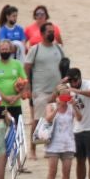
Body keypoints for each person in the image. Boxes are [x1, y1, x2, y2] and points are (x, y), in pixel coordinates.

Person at [24, 22, 65, 156]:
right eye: (49, 31)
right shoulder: (35, 49)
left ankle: (49, 149)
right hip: (41, 90)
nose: (52, 33)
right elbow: (27, 67)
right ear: (42, 34)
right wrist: (28, 86)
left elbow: (64, 66)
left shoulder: (59, 49)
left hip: (57, 90)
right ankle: (33, 150)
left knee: (55, 120)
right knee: (38, 120)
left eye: (53, 31)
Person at [44, 90, 77, 179]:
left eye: (67, 95)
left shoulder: (71, 106)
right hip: (53, 143)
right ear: (57, 96)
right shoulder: (51, 106)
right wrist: (57, 108)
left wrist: (75, 105)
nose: (65, 98)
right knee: (52, 170)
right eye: (63, 95)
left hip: (68, 143)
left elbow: (80, 118)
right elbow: (48, 119)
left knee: (66, 171)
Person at [0, 40, 27, 124]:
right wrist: (5, 97)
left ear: (11, 50)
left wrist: (17, 97)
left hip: (16, 104)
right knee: (0, 131)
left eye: (7, 49)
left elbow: (25, 82)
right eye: (3, 49)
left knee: (16, 130)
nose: (5, 51)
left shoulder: (17, 64)